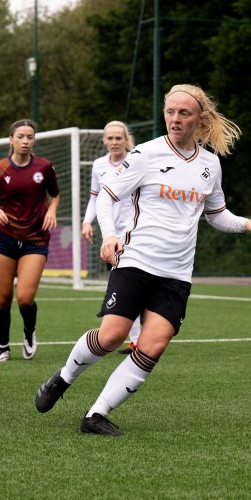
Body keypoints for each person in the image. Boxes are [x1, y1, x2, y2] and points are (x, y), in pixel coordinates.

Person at [34, 84, 251, 436]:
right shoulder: (145, 154)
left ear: (200, 119)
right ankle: (63, 378)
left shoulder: (210, 164)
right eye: (170, 112)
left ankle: (96, 414)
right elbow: (106, 196)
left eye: (184, 113)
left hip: (177, 273)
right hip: (136, 261)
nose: (175, 119)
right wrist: (110, 234)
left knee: (153, 344)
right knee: (112, 336)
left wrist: (245, 222)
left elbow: (216, 214)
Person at [0, 119, 60, 362]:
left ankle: (28, 331)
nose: (25, 141)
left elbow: (54, 195)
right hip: (4, 239)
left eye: (30, 137)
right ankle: (3, 348)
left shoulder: (45, 167)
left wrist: (52, 210)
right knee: (3, 298)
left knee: (25, 297)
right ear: (11, 139)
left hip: (35, 238)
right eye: (21, 136)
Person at [81, 120, 141, 354]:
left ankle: (138, 338)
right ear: (104, 140)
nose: (115, 142)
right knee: (128, 286)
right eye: (111, 138)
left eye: (119, 138)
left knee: (130, 285)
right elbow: (96, 198)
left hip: (135, 232)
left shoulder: (137, 159)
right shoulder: (98, 166)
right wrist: (87, 221)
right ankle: (136, 339)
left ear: (126, 139)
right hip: (112, 236)